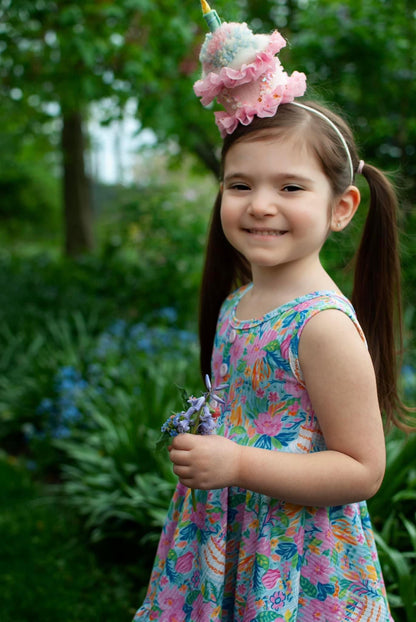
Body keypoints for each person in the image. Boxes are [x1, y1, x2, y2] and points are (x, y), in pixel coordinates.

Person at [134, 4, 413, 620]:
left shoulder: (323, 327)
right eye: (240, 185)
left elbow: (362, 470)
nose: (260, 205)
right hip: (228, 535)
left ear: (341, 207)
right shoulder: (240, 301)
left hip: (294, 556)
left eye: (290, 187)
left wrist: (236, 462)